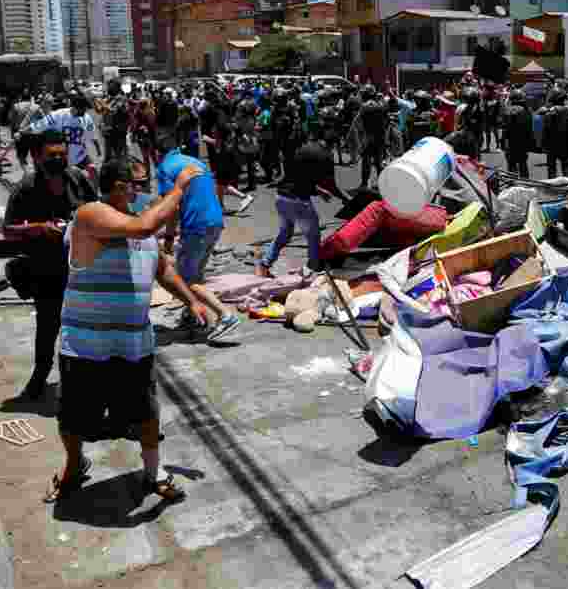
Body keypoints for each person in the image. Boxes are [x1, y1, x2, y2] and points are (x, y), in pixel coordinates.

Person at [46, 158, 209, 504]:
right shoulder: (90, 215)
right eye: (139, 182)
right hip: (86, 345)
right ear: (120, 186)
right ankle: (75, 467)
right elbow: (143, 229)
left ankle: (153, 473)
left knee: (147, 412)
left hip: (134, 343)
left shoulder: (139, 223)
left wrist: (190, 299)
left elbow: (162, 268)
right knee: (75, 418)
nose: (143, 189)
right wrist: (178, 189)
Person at [2, 130, 98, 399]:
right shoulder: (25, 188)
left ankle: (85, 377)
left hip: (81, 269)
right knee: (47, 327)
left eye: (62, 154)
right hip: (46, 272)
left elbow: (97, 210)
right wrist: (38, 228)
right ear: (37, 157)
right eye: (51, 155)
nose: (58, 159)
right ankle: (40, 374)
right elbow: (8, 230)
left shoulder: (78, 179)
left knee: (84, 326)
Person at [155, 134, 242, 340]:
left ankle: (225, 315)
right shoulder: (194, 160)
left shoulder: (165, 168)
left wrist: (168, 237)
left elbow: (172, 206)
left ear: (158, 154)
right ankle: (192, 313)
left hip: (195, 225)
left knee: (185, 279)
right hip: (215, 221)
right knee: (196, 274)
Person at [256, 125, 348, 279]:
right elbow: (331, 185)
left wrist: (318, 190)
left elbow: (297, 175)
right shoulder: (326, 155)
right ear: (334, 145)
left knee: (285, 234)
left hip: (282, 198)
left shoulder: (303, 147)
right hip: (299, 202)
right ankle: (312, 269)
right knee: (313, 236)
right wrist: (346, 199)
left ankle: (265, 263)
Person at [502, 88, 534, 178]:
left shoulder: (507, 110)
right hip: (522, 142)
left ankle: (513, 184)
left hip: (510, 142)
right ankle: (526, 184)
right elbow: (529, 129)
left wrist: (503, 142)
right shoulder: (527, 111)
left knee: (511, 166)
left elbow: (504, 129)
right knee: (523, 164)